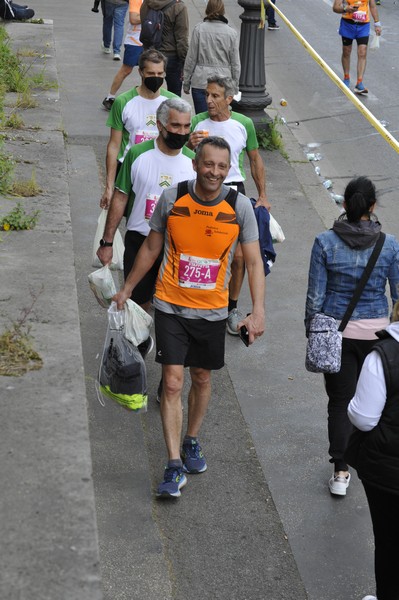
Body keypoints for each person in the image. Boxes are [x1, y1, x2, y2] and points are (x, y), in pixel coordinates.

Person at [112, 136, 265, 498]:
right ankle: (173, 463)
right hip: (170, 305)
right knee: (172, 383)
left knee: (201, 377)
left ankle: (192, 438)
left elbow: (254, 261)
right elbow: (152, 246)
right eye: (208, 164)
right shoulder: (172, 198)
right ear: (195, 164)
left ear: (229, 170)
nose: (214, 172)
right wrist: (129, 287)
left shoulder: (239, 206)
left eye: (221, 167)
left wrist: (257, 310)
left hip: (211, 312)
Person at [305, 176, 399, 497]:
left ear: (344, 205)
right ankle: (372, 460)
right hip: (379, 336)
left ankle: (341, 472)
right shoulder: (390, 244)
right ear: (372, 207)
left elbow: (315, 297)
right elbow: (398, 296)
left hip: (336, 332)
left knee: (340, 401)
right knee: (379, 400)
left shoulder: (324, 242)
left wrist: (313, 331)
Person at [97, 97, 195, 319]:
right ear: (160, 126)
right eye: (176, 125)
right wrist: (107, 242)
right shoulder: (137, 154)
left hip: (176, 246)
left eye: (186, 126)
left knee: (173, 308)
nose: (182, 131)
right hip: (139, 239)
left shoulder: (194, 162)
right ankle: (137, 344)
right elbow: (120, 198)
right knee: (136, 303)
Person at [189, 76, 269, 336]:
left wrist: (263, 195)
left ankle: (231, 308)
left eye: (214, 96)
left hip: (235, 192)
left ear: (229, 98)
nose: (208, 100)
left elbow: (255, 160)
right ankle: (198, 298)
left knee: (239, 256)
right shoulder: (198, 122)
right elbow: (186, 160)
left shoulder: (244, 123)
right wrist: (188, 146)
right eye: (207, 95)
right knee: (204, 249)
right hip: (203, 191)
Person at [347, 300, 399, 600]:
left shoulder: (383, 355)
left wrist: (352, 405)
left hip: (387, 472)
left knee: (389, 543)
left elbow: (364, 418)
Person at [100, 49, 176, 210]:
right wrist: (109, 186)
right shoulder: (123, 102)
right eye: (151, 73)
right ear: (141, 72)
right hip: (129, 170)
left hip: (161, 170)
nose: (156, 78)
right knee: (131, 220)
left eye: (160, 73)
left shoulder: (173, 102)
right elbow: (114, 146)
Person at [182, 0, 240, 114]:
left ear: (207, 10)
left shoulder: (199, 29)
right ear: (223, 11)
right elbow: (235, 64)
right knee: (220, 118)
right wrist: (235, 87)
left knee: (202, 118)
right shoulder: (231, 33)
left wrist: (186, 82)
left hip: (200, 80)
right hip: (223, 83)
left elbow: (191, 58)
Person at [140, 0, 189, 96]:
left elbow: (145, 27)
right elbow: (182, 39)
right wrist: (184, 61)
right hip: (171, 56)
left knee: (149, 91)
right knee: (174, 94)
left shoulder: (147, 3)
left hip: (150, 54)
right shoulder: (178, 7)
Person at [332, 0, 381, 94]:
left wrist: (377, 23)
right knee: (346, 51)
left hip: (364, 25)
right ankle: (346, 78)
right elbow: (335, 7)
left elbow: (373, 6)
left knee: (362, 52)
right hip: (347, 24)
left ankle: (359, 83)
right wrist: (346, 9)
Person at [102, 0, 144, 111]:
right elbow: (133, 19)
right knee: (126, 70)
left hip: (151, 40)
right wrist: (150, 17)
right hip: (135, 41)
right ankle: (110, 97)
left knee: (148, 71)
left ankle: (147, 98)